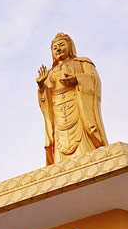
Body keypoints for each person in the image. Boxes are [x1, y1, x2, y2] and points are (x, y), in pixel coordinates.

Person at [36, 33, 108, 165]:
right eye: (55, 47)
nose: (58, 49)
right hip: (59, 119)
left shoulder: (82, 63)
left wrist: (77, 79)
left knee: (86, 158)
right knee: (60, 161)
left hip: (79, 112)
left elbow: (94, 81)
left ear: (70, 47)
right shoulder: (50, 73)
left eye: (62, 45)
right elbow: (45, 102)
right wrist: (41, 87)